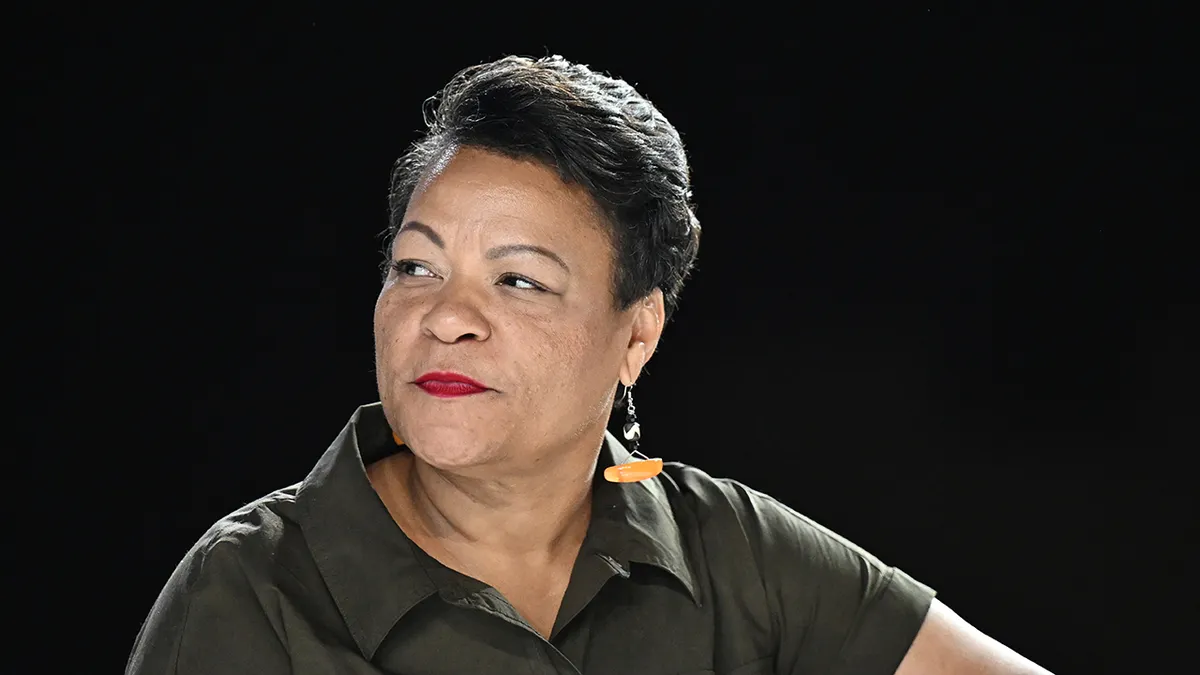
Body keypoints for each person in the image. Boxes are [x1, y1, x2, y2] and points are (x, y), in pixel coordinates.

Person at [126, 55, 1052, 674]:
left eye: (519, 280)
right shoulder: (249, 590)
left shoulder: (732, 554)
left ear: (637, 335)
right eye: (415, 267)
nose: (447, 318)